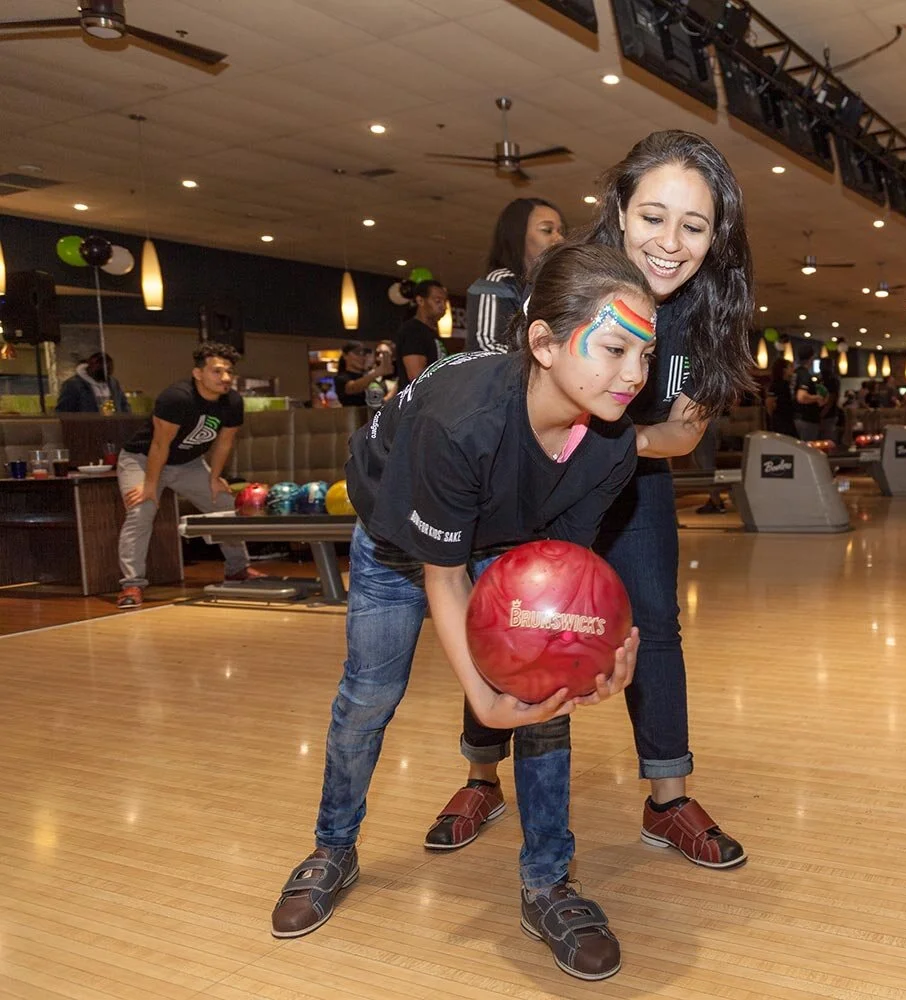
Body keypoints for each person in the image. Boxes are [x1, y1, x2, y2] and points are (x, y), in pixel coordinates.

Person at [270, 243, 653, 981]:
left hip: (502, 534)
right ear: (543, 343)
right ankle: (332, 847)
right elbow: (442, 578)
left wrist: (593, 654)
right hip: (395, 536)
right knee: (370, 696)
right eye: (612, 348)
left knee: (544, 703)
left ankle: (548, 883)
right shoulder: (461, 421)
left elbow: (563, 583)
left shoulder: (609, 448)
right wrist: (482, 698)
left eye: (645, 354)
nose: (633, 376)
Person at [427, 130, 756, 872]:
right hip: (536, 475)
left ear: (716, 237)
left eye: (694, 226)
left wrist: (617, 441)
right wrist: (631, 432)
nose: (670, 243)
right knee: (509, 617)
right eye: (653, 217)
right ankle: (482, 778)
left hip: (633, 485)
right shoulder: (568, 281)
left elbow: (682, 436)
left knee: (658, 625)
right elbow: (516, 397)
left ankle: (668, 797)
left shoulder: (711, 309)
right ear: (619, 210)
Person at [115, 342, 259, 608]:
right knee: (141, 510)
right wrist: (150, 485)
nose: (225, 378)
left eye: (229, 372)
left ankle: (237, 569)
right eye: (217, 371)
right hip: (143, 460)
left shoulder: (232, 402)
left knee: (225, 506)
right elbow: (160, 445)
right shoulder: (177, 398)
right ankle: (132, 585)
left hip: (188, 464)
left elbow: (224, 443)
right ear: (198, 373)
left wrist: (215, 477)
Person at [467, 198, 566, 353]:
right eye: (547, 230)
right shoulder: (499, 283)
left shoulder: (557, 290)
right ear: (518, 235)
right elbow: (485, 349)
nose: (559, 239)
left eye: (560, 231)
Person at [395, 280, 448, 390]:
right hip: (419, 404)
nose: (443, 306)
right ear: (420, 300)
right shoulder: (413, 330)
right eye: (438, 301)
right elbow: (416, 377)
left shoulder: (431, 333)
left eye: (444, 301)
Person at [55, 351, 128, 413]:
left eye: (109, 370)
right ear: (90, 367)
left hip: (111, 426)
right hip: (86, 427)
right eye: (103, 370)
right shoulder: (73, 385)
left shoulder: (113, 383)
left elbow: (123, 405)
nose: (107, 374)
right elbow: (64, 412)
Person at [332, 342, 390, 408]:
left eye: (364, 353)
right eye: (357, 353)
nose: (362, 357)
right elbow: (352, 388)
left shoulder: (368, 376)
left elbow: (380, 402)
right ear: (345, 355)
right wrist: (376, 373)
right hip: (353, 416)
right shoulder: (342, 377)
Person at [764, 356, 796, 438]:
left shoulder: (786, 384)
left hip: (787, 419)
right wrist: (774, 418)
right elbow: (769, 403)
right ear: (784, 369)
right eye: (790, 367)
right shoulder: (776, 384)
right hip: (781, 421)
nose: (792, 369)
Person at [364, 341, 399, 409]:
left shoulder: (400, 375)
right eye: (378, 353)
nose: (380, 356)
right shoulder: (371, 376)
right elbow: (376, 404)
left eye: (385, 353)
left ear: (393, 356)